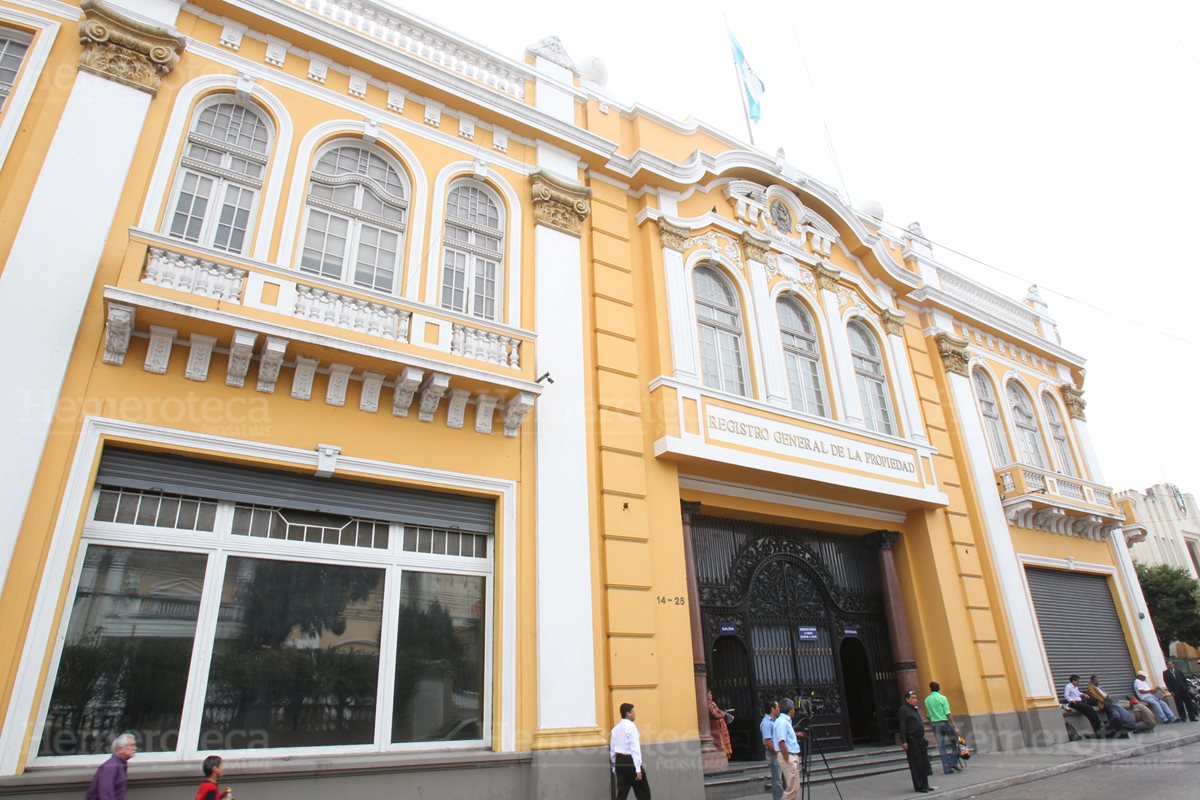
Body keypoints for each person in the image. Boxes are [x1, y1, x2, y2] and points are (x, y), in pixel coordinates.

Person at [610, 702, 650, 800]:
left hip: (619, 760)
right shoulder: (631, 727)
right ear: (628, 713)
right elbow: (635, 748)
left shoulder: (615, 729)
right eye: (633, 711)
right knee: (643, 792)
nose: (634, 713)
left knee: (622, 792)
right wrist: (637, 769)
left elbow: (612, 749)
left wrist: (615, 766)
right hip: (630, 761)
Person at [899, 690, 936, 794]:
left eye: (916, 698)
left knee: (924, 762)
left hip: (920, 739)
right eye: (912, 698)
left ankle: (926, 784)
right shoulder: (903, 710)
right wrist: (904, 740)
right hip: (911, 739)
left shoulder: (915, 709)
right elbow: (903, 725)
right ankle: (919, 786)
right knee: (916, 763)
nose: (915, 700)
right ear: (907, 699)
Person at [85, 733, 136, 800]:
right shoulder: (111, 766)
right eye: (132, 745)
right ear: (120, 749)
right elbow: (105, 794)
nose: (135, 748)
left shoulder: (119, 765)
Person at [924, 681, 961, 775]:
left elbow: (927, 715)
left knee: (941, 747)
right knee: (955, 742)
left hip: (934, 724)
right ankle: (953, 761)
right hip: (944, 723)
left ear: (930, 689)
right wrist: (955, 726)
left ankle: (946, 769)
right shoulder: (942, 698)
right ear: (939, 688)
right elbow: (948, 713)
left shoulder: (927, 700)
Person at [772, 698, 801, 800]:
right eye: (793, 709)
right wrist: (788, 758)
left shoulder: (786, 721)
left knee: (796, 787)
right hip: (787, 755)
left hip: (792, 754)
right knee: (792, 788)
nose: (794, 711)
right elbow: (781, 742)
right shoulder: (782, 722)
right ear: (790, 709)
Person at [760, 700, 785, 800]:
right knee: (777, 779)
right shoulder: (766, 723)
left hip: (780, 752)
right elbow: (767, 741)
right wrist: (777, 752)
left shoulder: (776, 721)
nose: (779, 709)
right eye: (777, 707)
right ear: (772, 709)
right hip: (774, 754)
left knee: (783, 778)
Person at [707, 689, 732, 759]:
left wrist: (722, 713)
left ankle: (726, 754)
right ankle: (720, 754)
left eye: (711, 694)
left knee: (724, 739)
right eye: (709, 694)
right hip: (715, 724)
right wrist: (723, 714)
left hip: (721, 724)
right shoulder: (708, 705)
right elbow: (716, 715)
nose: (711, 695)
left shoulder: (713, 703)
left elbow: (718, 711)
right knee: (718, 740)